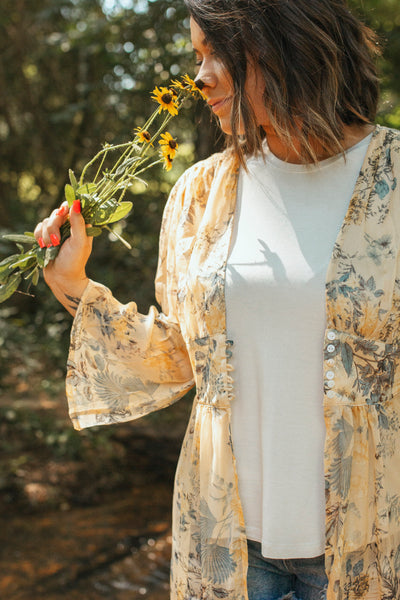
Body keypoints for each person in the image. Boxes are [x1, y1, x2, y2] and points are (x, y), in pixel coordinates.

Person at [33, 1, 400, 599]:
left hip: (371, 546)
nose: (199, 76)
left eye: (216, 54)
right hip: (226, 545)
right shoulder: (201, 193)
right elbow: (180, 357)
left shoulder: (394, 177)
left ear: (283, 44)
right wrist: (74, 285)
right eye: (196, 56)